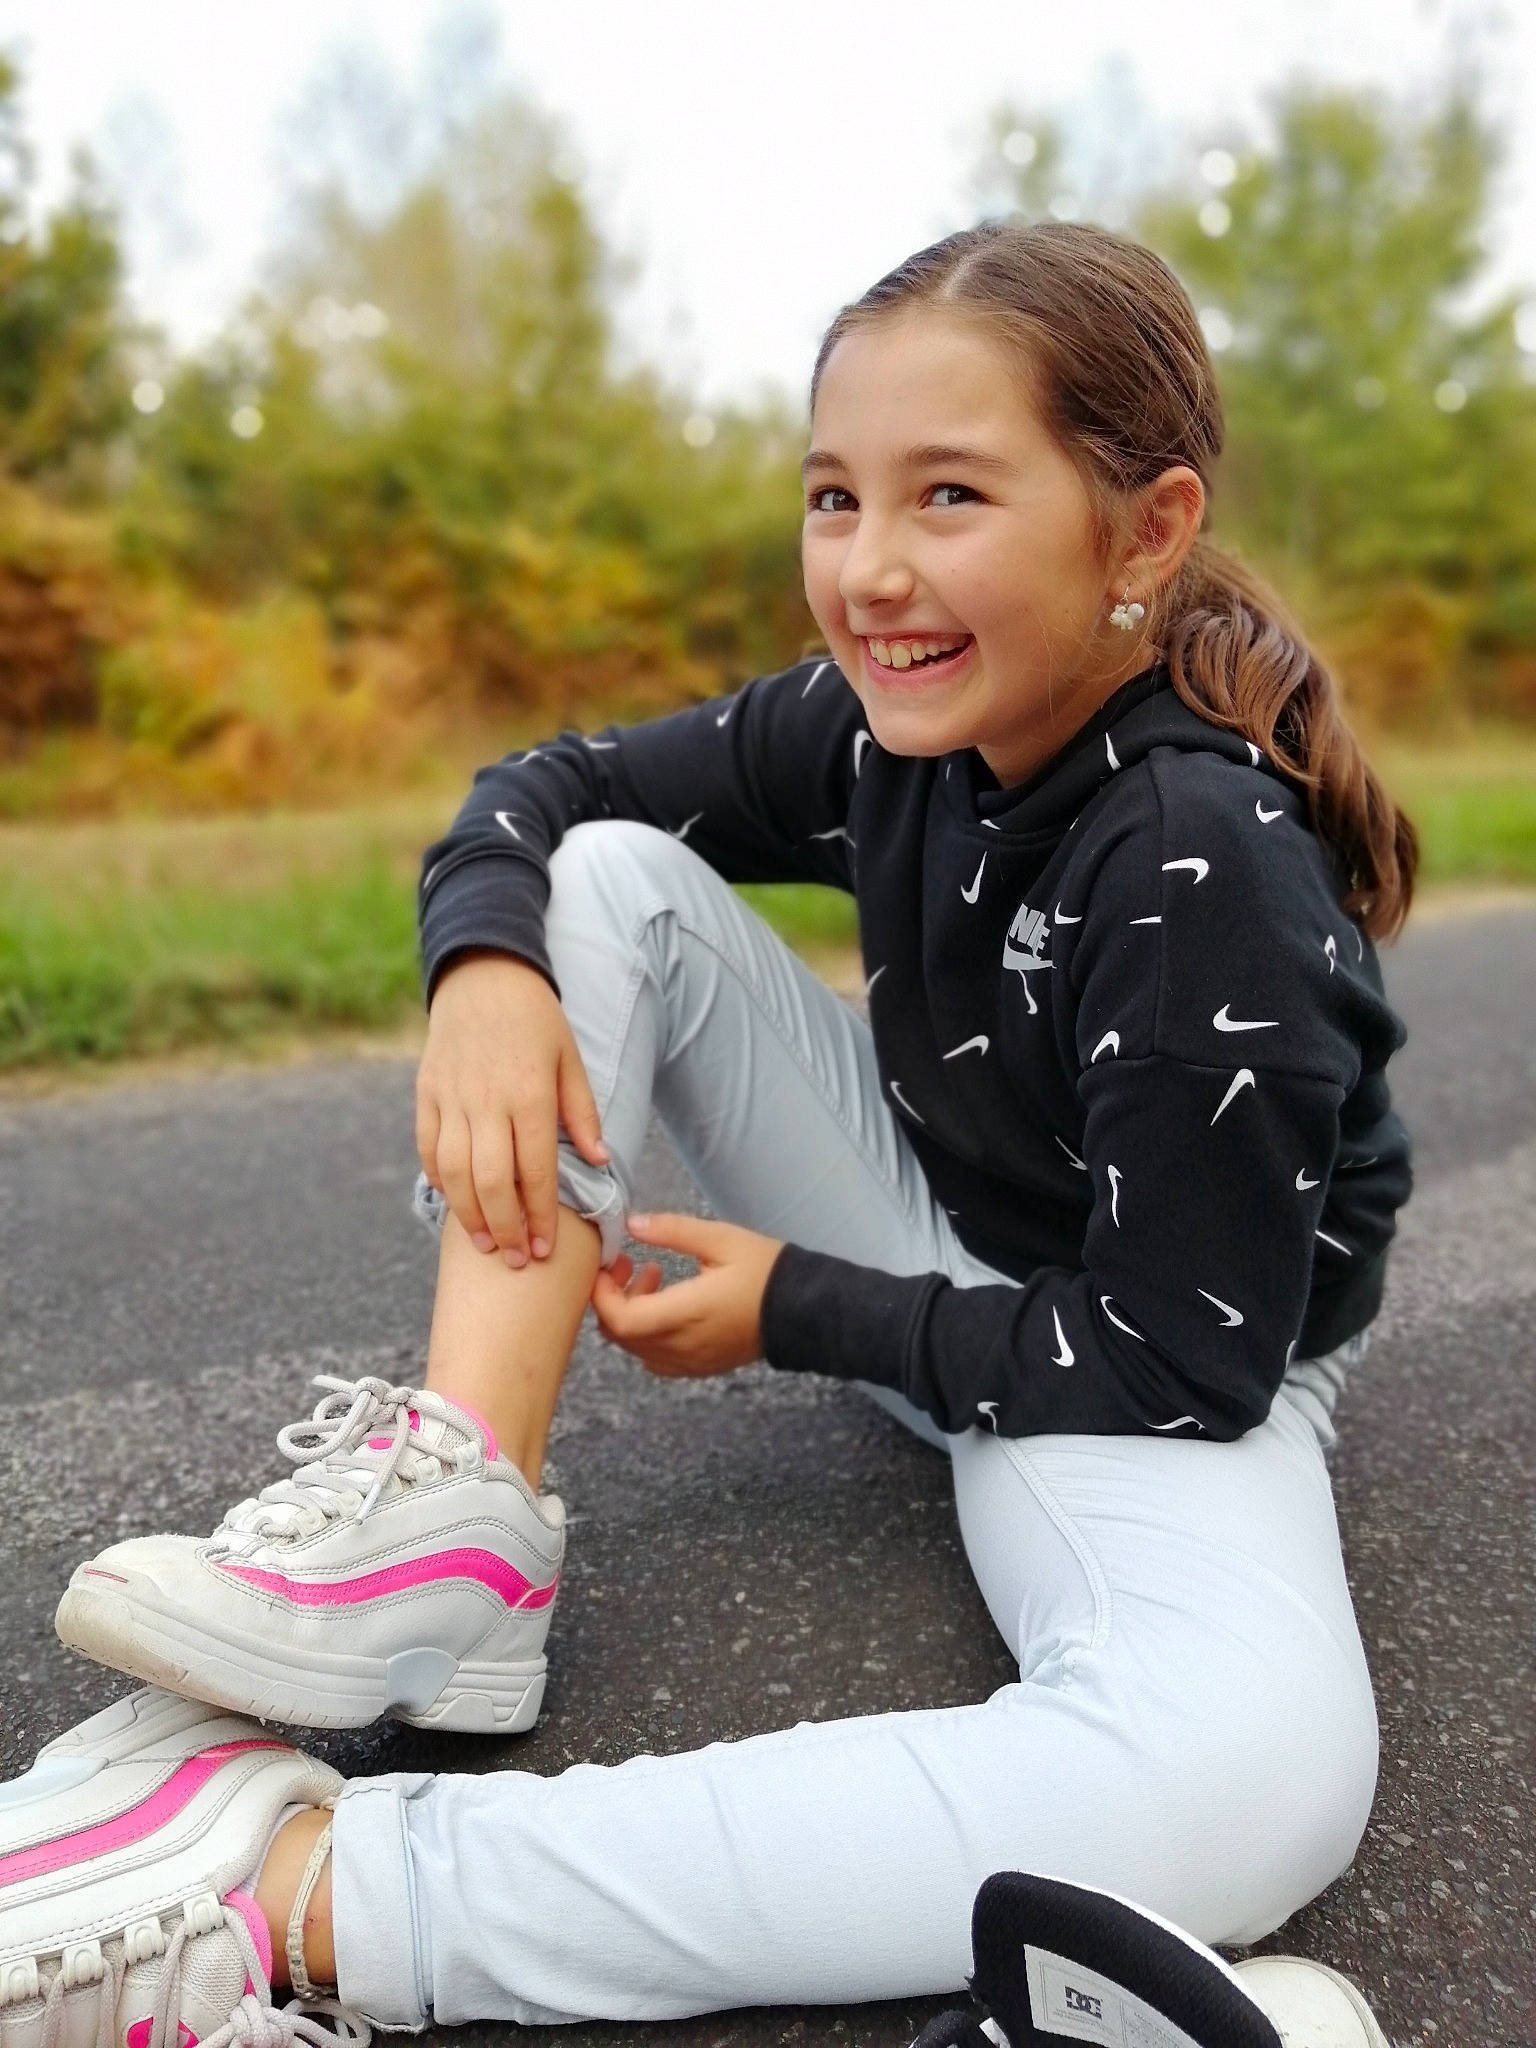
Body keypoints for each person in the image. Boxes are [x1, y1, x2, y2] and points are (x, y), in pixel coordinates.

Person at [16, 218, 1413, 2041]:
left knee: (1256, 1775)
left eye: (952, 497)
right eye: (837, 497)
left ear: (1145, 529)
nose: (874, 571)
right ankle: (462, 1521)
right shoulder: (882, 727)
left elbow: (1178, 1360)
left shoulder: (1201, 861)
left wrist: (805, 1308)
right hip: (961, 1230)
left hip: (1148, 1346)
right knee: (601, 879)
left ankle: (292, 1893)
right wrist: (486, 964)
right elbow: (554, 790)